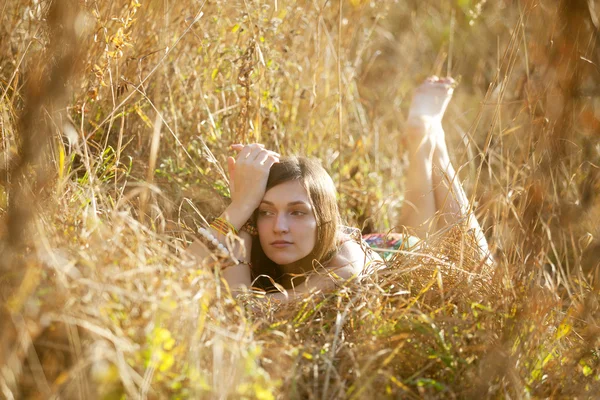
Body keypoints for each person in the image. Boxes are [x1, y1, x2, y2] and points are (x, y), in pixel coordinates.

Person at [187, 77, 491, 302]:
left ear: (323, 216)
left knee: (483, 273)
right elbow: (180, 274)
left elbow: (248, 311)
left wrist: (243, 214)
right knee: (418, 225)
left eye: (297, 212)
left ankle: (430, 139)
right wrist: (241, 206)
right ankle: (424, 137)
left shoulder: (346, 264)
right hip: (377, 244)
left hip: (399, 255)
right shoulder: (250, 232)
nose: (278, 227)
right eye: (266, 211)